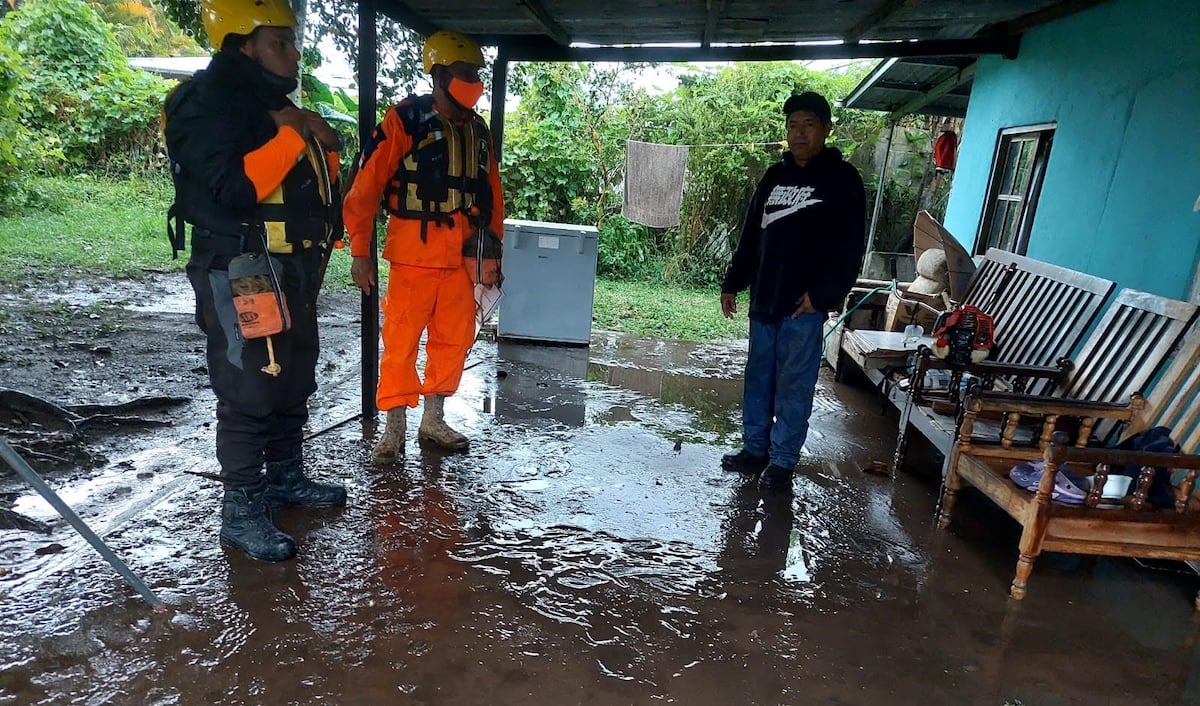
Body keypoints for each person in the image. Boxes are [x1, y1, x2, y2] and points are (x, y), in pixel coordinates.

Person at [163, 0, 347, 562]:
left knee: (293, 378)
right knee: (251, 386)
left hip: (291, 270)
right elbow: (235, 191)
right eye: (279, 43)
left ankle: (285, 477)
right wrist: (293, 133)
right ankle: (241, 509)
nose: (293, 54)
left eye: (293, 42)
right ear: (241, 44)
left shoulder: (272, 106)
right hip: (243, 269)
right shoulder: (203, 105)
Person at [343, 30, 505, 464]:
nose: (472, 79)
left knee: (453, 341)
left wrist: (492, 254)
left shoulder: (479, 130)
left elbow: (492, 196)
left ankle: (433, 420)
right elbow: (364, 190)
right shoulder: (404, 119)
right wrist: (360, 251)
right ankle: (393, 427)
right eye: (462, 72)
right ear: (437, 73)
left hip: (463, 257)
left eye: (475, 73)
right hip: (413, 254)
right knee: (400, 342)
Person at [719, 91, 866, 492]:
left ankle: (783, 461)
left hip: (804, 307)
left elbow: (851, 247)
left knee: (793, 385)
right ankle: (755, 450)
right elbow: (751, 236)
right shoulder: (773, 177)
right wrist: (733, 282)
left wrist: (823, 295)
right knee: (759, 380)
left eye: (808, 125)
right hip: (765, 299)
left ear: (826, 129)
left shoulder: (843, 181)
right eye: (792, 125)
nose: (799, 134)